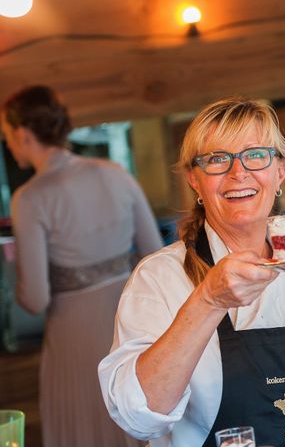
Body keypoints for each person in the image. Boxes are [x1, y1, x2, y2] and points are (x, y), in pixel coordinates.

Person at [98, 97, 285, 447]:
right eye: (217, 159)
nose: (238, 172)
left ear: (280, 172)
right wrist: (208, 301)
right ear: (194, 181)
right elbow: (138, 417)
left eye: (255, 155)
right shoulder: (159, 279)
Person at [0, 85, 163, 447]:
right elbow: (156, 255)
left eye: (8, 135)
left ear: (24, 135)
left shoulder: (29, 198)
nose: (8, 144)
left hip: (74, 331)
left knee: (86, 420)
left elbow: (36, 298)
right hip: (133, 315)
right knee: (139, 409)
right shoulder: (115, 172)